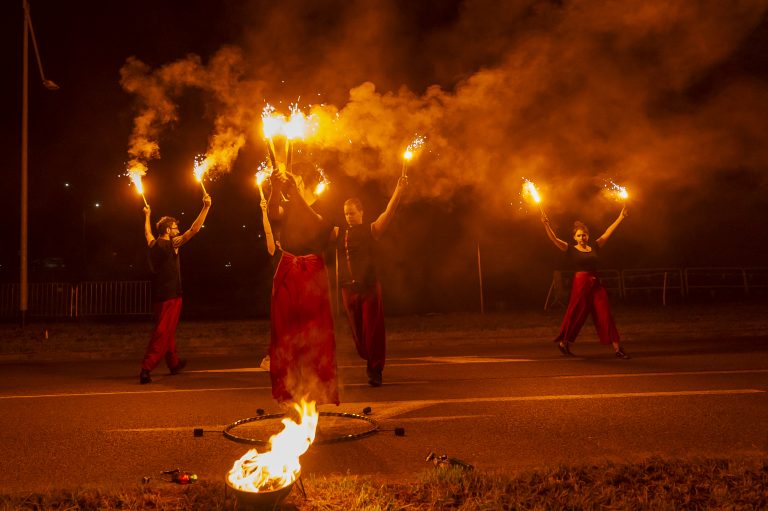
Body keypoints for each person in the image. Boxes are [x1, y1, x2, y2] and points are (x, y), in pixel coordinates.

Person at [267, 164, 339, 405]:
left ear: (306, 183)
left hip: (311, 272)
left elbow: (317, 224)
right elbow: (272, 214)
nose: (291, 182)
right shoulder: (288, 203)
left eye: (295, 179)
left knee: (312, 331)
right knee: (284, 329)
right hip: (288, 267)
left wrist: (294, 193)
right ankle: (289, 388)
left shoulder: (324, 203)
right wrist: (275, 190)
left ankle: (315, 390)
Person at [332, 176, 408, 386]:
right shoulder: (339, 232)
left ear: (361, 212)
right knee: (358, 334)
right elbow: (317, 223)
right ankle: (369, 358)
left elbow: (388, 213)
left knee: (372, 329)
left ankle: (375, 369)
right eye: (346, 213)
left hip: (369, 288)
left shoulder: (371, 230)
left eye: (352, 213)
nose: (349, 216)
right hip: (348, 289)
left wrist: (398, 191)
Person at [139, 194, 212, 384]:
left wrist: (147, 215)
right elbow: (194, 229)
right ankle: (146, 368)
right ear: (167, 230)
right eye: (175, 227)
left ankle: (174, 363)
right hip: (171, 297)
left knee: (167, 330)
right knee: (162, 332)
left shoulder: (153, 244)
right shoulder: (174, 244)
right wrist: (206, 207)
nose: (178, 229)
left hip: (159, 296)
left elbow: (147, 233)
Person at [542, 205, 630, 359]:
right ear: (574, 237)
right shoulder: (570, 249)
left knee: (605, 314)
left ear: (587, 236)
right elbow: (554, 239)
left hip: (596, 284)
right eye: (579, 235)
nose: (582, 238)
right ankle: (563, 343)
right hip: (580, 284)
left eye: (584, 235)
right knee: (576, 315)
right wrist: (546, 224)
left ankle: (617, 348)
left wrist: (621, 217)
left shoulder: (595, 246)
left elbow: (608, 231)